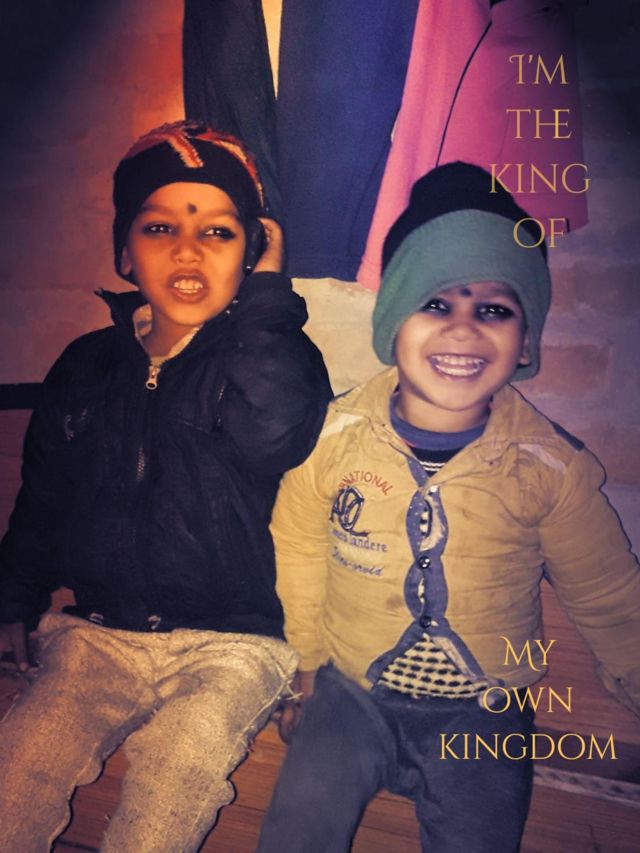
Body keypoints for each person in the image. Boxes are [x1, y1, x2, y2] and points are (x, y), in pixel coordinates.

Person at [257, 162, 640, 853]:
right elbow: (300, 544)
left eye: (493, 309)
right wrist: (307, 664)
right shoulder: (333, 438)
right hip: (350, 689)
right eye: (435, 304)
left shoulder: (548, 468)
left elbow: (606, 592)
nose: (464, 329)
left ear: (526, 340)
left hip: (482, 708)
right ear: (391, 323)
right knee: (296, 828)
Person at [0, 119, 332, 853]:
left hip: (232, 643)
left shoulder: (265, 356)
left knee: (174, 778)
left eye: (218, 232)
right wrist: (13, 599)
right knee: (18, 768)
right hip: (96, 634)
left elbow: (278, 431)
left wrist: (268, 299)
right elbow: (45, 494)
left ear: (252, 253)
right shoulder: (86, 364)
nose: (188, 249)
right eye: (159, 227)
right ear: (124, 251)